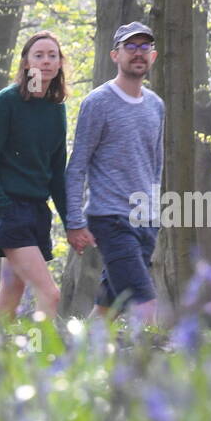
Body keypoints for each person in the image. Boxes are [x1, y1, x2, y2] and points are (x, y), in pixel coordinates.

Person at [0, 30, 78, 322]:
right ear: (26, 63)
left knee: (10, 296)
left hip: (37, 212)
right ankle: (41, 358)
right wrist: (3, 206)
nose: (45, 61)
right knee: (50, 293)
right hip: (10, 210)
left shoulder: (55, 110)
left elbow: (57, 173)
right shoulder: (7, 102)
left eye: (52, 56)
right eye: (39, 55)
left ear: (59, 64)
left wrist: (71, 222)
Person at [64, 22, 165, 323]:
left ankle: (76, 362)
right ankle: (155, 368)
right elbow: (77, 165)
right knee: (145, 305)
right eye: (130, 47)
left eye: (144, 47)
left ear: (153, 56)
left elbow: (156, 166)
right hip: (111, 220)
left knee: (108, 307)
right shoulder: (98, 103)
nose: (138, 53)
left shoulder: (156, 106)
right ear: (115, 55)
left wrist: (156, 214)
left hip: (145, 222)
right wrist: (73, 222)